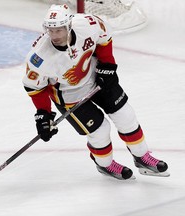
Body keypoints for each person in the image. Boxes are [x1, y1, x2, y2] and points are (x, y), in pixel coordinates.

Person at [22, 4, 169, 180]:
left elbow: (104, 37)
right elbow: (34, 87)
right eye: (50, 30)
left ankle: (142, 157)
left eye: (59, 30)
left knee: (125, 115)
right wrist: (44, 115)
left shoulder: (87, 24)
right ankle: (105, 165)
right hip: (70, 96)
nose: (54, 36)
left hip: (97, 78)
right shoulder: (39, 57)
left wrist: (107, 65)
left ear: (69, 26)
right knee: (100, 130)